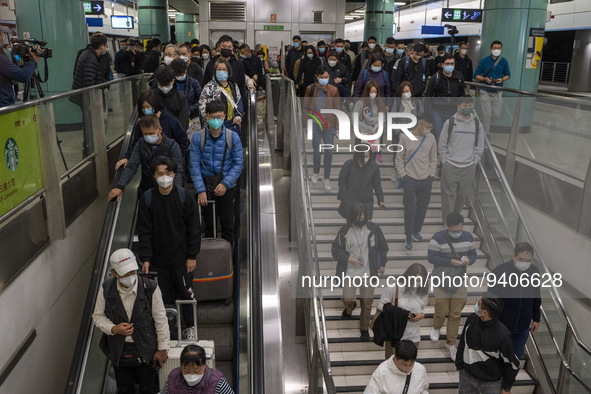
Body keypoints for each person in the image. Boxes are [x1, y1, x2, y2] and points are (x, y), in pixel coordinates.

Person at [137, 156, 200, 339]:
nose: (164, 177)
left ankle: (190, 328)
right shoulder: (147, 199)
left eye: (168, 173)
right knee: (161, 298)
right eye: (160, 173)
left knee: (186, 295)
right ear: (154, 176)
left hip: (182, 260)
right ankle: (167, 331)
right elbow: (145, 231)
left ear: (174, 174)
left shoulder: (185, 196)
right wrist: (146, 258)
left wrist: (192, 255)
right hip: (158, 261)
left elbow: (194, 229)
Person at [92, 248, 169, 394]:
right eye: (125, 273)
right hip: (119, 350)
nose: (130, 276)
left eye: (133, 271)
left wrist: (162, 348)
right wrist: (114, 328)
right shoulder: (106, 289)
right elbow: (98, 316)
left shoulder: (150, 287)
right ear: (114, 273)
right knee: (124, 389)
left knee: (149, 389)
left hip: (146, 348)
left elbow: (160, 319)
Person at [189, 100, 244, 245]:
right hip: (206, 187)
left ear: (225, 116)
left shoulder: (232, 137)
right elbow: (194, 165)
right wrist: (200, 190)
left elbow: (238, 164)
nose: (216, 120)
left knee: (227, 227)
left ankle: (227, 263)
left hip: (227, 187)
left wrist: (225, 184)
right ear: (206, 116)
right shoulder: (198, 138)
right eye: (212, 117)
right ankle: (210, 260)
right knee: (209, 227)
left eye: (219, 117)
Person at [332, 203, 388, 342]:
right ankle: (349, 308)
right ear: (351, 217)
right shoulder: (344, 231)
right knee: (348, 299)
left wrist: (383, 263)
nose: (361, 219)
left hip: (369, 272)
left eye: (363, 216)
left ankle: (364, 329)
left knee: (367, 302)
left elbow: (383, 247)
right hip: (350, 273)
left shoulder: (373, 229)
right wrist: (348, 258)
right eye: (358, 217)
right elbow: (335, 250)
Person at [428, 212, 477, 362]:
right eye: (453, 231)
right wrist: (451, 262)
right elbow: (431, 257)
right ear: (447, 226)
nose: (456, 233)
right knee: (442, 310)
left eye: (459, 230)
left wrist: (469, 260)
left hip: (459, 279)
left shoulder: (468, 237)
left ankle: (451, 342)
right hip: (441, 279)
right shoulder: (438, 237)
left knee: (455, 313)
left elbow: (474, 255)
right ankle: (436, 326)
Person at [108, 115, 183, 201]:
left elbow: (178, 171)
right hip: (147, 191)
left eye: (151, 133)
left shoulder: (172, 146)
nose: (148, 136)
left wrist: (176, 193)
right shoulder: (140, 144)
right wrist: (120, 186)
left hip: (168, 191)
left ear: (160, 129)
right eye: (145, 134)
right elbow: (132, 166)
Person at [456, 294, 520, 394]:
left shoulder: (502, 335)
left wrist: (507, 387)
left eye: (478, 304)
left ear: (484, 312)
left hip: (490, 383)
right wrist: (459, 365)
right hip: (467, 376)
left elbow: (513, 363)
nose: (476, 305)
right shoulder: (471, 320)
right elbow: (463, 343)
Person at [490, 242, 541, 358]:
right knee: (499, 358)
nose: (525, 263)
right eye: (521, 259)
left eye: (528, 260)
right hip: (502, 325)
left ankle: (510, 377)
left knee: (515, 359)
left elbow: (536, 296)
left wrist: (536, 318)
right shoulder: (500, 271)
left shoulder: (534, 271)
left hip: (523, 326)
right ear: (514, 256)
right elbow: (491, 299)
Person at [117, 91, 189, 171]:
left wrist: (175, 159)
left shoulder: (171, 121)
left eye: (148, 107)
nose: (145, 110)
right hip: (150, 168)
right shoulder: (141, 123)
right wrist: (127, 157)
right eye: (143, 108)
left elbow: (184, 141)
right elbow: (136, 143)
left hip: (170, 167)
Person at [439, 95, 484, 222]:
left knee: (462, 196)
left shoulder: (477, 124)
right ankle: (447, 221)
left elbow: (480, 145)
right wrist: (444, 160)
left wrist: (475, 160)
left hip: (468, 166)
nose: (467, 108)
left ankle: (456, 218)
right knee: (448, 196)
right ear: (459, 106)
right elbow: (442, 144)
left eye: (470, 106)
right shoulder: (450, 122)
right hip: (451, 165)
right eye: (465, 106)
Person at [395, 112, 437, 251]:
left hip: (426, 179)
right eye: (427, 126)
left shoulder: (431, 138)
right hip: (410, 179)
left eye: (431, 127)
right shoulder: (405, 137)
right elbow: (399, 157)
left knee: (423, 207)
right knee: (410, 208)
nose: (428, 129)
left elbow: (433, 158)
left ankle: (416, 230)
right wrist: (403, 175)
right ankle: (408, 236)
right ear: (420, 124)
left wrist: (431, 174)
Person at [377, 264, 429, 358]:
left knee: (409, 365)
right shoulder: (394, 287)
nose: (417, 283)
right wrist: (402, 314)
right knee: (392, 365)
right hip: (395, 333)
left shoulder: (423, 291)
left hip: (413, 335)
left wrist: (422, 315)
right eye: (415, 279)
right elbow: (381, 305)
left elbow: (422, 308)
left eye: (420, 280)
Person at [303, 64, 340, 191]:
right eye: (322, 77)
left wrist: (338, 127)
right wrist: (306, 123)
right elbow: (306, 106)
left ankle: (327, 178)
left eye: (326, 77)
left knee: (328, 152)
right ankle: (316, 172)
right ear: (317, 77)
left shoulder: (333, 90)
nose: (324, 79)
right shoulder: (311, 89)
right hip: (315, 124)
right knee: (317, 151)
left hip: (329, 125)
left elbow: (337, 109)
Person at [424, 54, 466, 141]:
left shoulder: (459, 77)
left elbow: (462, 95)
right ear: (442, 65)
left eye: (452, 63)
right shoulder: (435, 78)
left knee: (452, 136)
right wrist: (427, 115)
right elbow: (428, 97)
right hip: (438, 112)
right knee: (439, 136)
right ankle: (440, 153)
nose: (450, 66)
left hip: (453, 111)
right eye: (447, 64)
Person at [160, 344, 234, 394]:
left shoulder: (217, 382)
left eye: (196, 370)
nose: (191, 374)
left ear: (204, 365)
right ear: (181, 366)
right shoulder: (173, 378)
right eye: (186, 370)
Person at [337, 147, 385, 220]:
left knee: (364, 222)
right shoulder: (349, 164)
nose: (366, 158)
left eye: (367, 156)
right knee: (351, 221)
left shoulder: (374, 167)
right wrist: (344, 195)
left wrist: (380, 199)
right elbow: (342, 180)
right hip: (350, 198)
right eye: (364, 156)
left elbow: (377, 184)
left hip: (366, 200)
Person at [364, 340, 429, 394]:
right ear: (395, 357)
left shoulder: (420, 369)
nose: (408, 368)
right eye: (404, 364)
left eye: (411, 364)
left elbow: (424, 390)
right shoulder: (382, 372)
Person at [473, 40, 511, 133]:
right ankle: (486, 134)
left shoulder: (504, 61)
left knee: (496, 114)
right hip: (485, 90)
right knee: (487, 114)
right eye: (494, 48)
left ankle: (483, 126)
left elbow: (508, 75)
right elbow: (476, 75)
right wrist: (485, 79)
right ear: (491, 49)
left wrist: (501, 79)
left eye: (498, 48)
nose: (496, 50)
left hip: (497, 90)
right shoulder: (484, 61)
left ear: (501, 49)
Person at [199, 58, 243, 134]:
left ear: (228, 71)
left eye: (224, 69)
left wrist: (238, 116)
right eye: (219, 69)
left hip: (232, 125)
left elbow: (239, 102)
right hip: (214, 126)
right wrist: (212, 121)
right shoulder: (209, 87)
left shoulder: (233, 86)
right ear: (215, 71)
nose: (221, 71)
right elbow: (202, 106)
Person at [391, 81, 425, 182]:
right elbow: (392, 119)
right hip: (399, 134)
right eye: (404, 91)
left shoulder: (417, 103)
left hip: (413, 133)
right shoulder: (397, 103)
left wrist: (416, 131)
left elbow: (421, 118)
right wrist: (398, 132)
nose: (406, 93)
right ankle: (397, 171)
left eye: (408, 91)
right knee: (397, 154)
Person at [0, 29, 40, 106]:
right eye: (1, 34)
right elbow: (23, 76)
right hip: (3, 103)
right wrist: (34, 60)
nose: (3, 37)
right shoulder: (2, 57)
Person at [203, 35, 247, 100]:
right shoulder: (211, 63)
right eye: (224, 46)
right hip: (214, 101)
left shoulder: (238, 64)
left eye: (229, 47)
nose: (226, 49)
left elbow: (242, 86)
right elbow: (205, 83)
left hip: (233, 100)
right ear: (219, 46)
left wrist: (243, 107)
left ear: (232, 48)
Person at [152, 65, 190, 130]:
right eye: (161, 84)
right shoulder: (151, 96)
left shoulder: (180, 97)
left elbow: (183, 123)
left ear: (173, 81)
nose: (164, 87)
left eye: (166, 84)